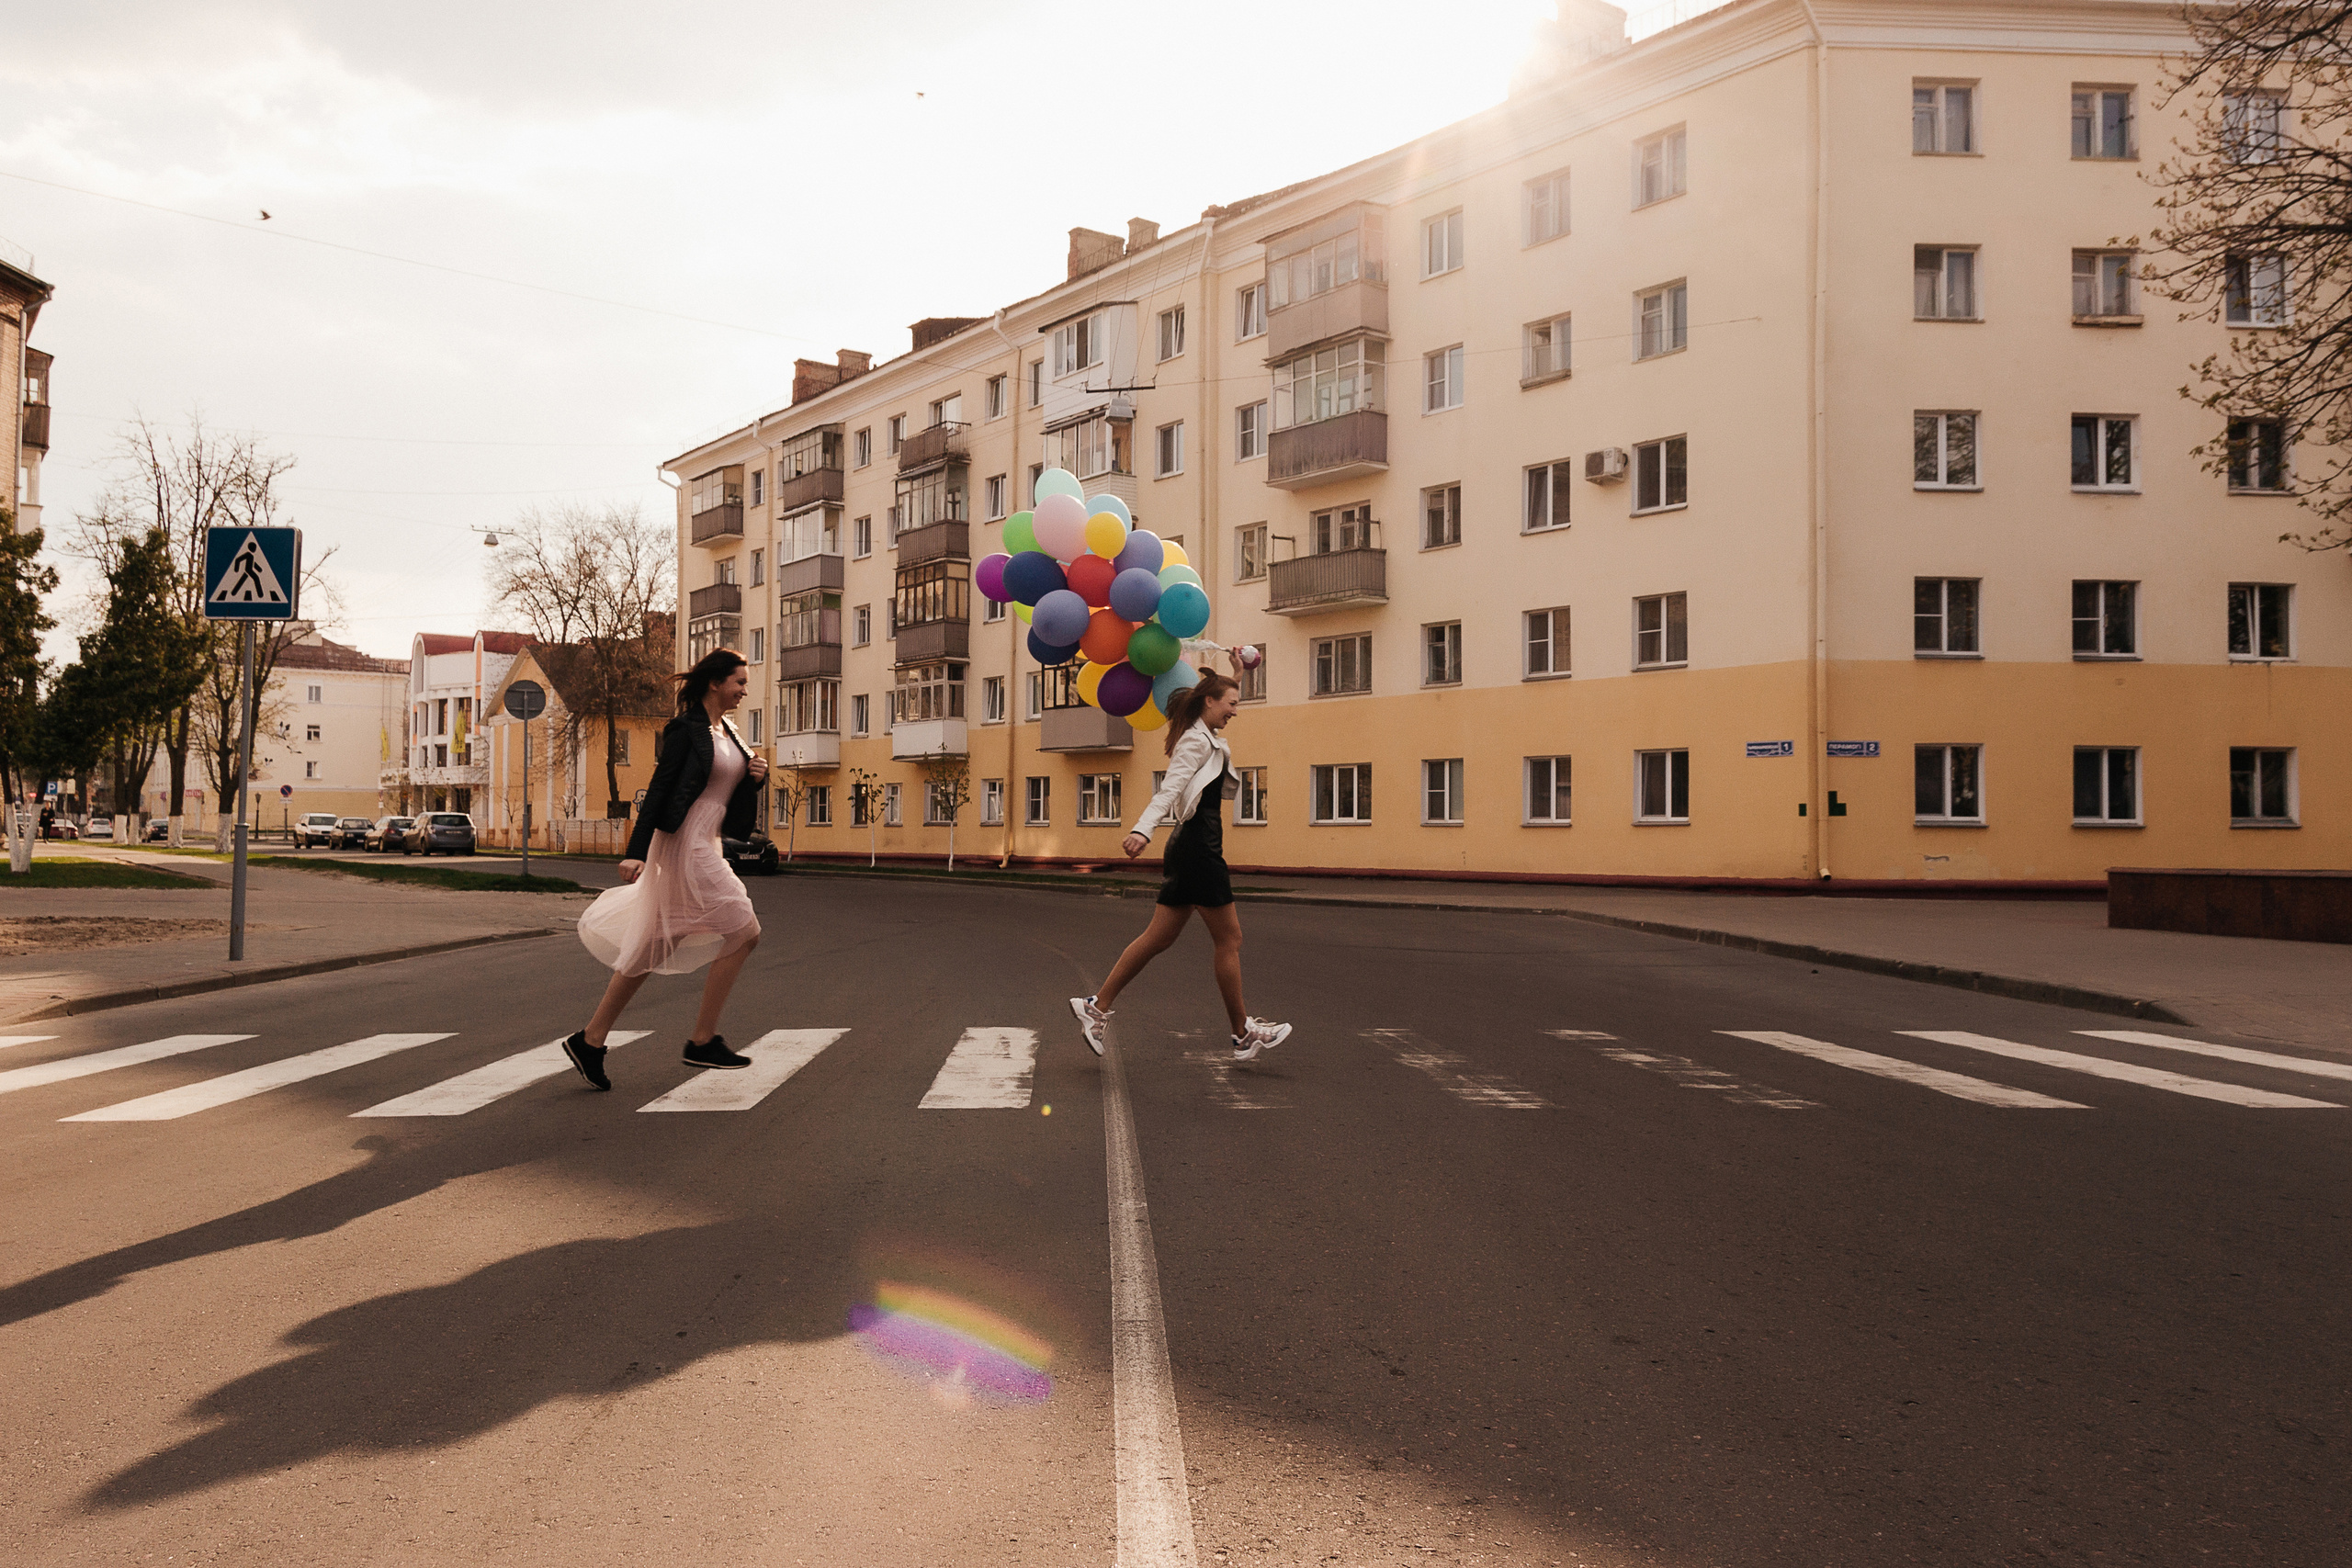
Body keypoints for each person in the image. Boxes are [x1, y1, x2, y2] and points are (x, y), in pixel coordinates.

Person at [562, 649, 769, 1089]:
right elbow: (658, 790)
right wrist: (636, 851)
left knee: (656, 941)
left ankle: (590, 1040)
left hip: (707, 841)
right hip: (684, 842)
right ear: (715, 683)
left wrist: (755, 776)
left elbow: (727, 797)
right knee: (744, 929)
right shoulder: (686, 729)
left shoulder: (729, 732)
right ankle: (702, 1040)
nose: (744, 691)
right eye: (739, 682)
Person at [1069, 663, 1290, 1062]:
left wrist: (1238, 675)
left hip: (1192, 847)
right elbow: (1168, 789)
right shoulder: (1196, 742)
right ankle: (1242, 1033)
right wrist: (1142, 829)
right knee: (1230, 939)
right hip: (1198, 849)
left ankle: (1095, 1006)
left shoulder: (1206, 732)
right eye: (1232, 703)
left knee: (1158, 938)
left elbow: (1221, 695)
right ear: (1209, 701)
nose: (1236, 710)